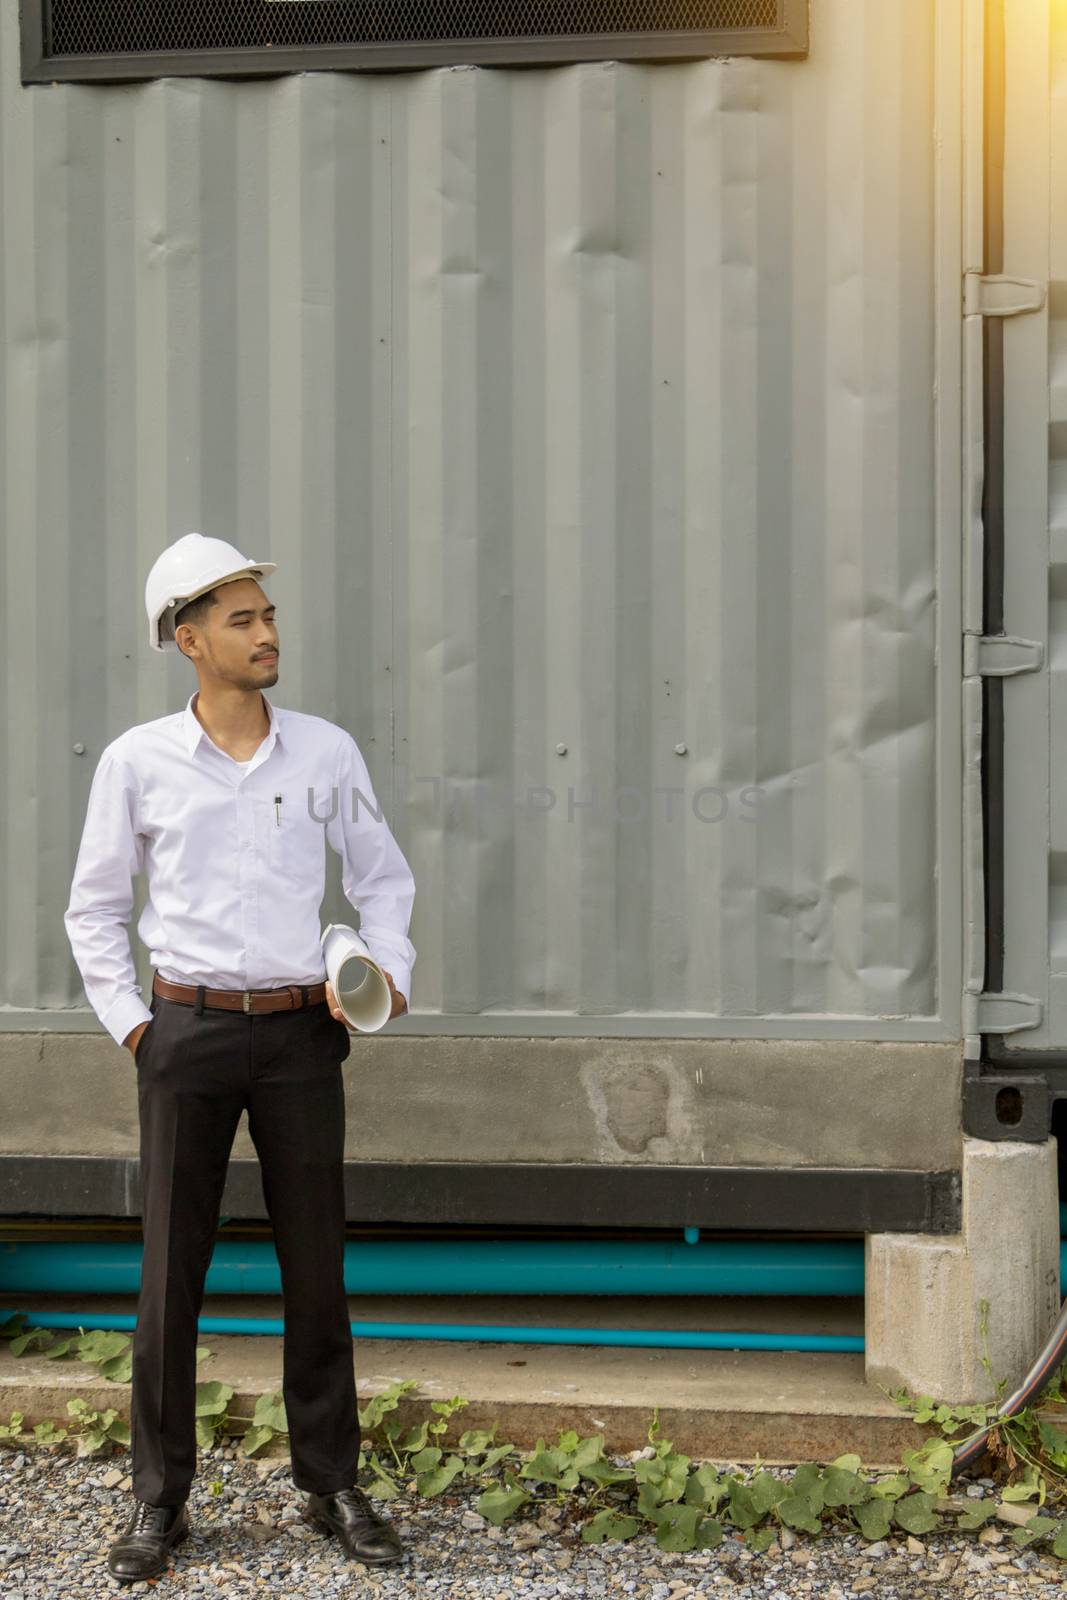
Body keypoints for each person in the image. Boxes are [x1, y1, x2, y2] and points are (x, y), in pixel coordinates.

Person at [63, 532, 416, 1584]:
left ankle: (330, 1481)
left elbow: (382, 877)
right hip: (187, 1034)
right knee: (172, 1268)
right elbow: (94, 909)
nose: (268, 633)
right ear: (188, 640)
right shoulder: (137, 762)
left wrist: (384, 971)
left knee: (317, 1262)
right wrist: (137, 1026)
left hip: (304, 1032)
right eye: (241, 619)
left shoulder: (325, 752)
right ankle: (156, 1500)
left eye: (267, 615)